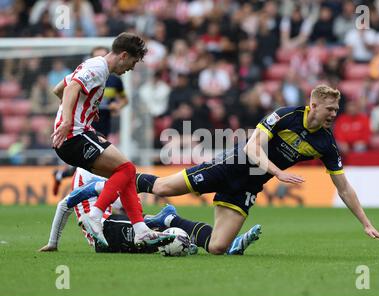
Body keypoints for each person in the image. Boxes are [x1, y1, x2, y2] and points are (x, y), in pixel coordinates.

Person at [69, 85, 379, 255]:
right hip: (231, 164)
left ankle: (171, 220)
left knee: (218, 248)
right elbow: (252, 147)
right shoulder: (285, 115)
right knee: (163, 188)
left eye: (337, 109)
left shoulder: (326, 143)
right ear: (314, 105)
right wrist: (277, 171)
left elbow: (344, 187)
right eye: (331, 108)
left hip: (249, 185)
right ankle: (105, 181)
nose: (335, 113)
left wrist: (366, 223)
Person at [50, 32, 174, 248]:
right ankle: (95, 215)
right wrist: (68, 121)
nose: (131, 69)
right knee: (126, 169)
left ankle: (141, 230)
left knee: (126, 174)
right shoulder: (98, 68)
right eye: (133, 62)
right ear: (124, 55)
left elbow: (58, 89)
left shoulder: (95, 67)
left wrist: (86, 108)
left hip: (78, 134)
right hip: (74, 136)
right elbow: (70, 89)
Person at [40, 168, 257, 255]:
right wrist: (52, 243)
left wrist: (53, 243)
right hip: (104, 232)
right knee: (155, 236)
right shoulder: (92, 177)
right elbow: (71, 201)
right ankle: (174, 230)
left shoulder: (88, 175)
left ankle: (227, 244)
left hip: (109, 231)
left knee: (155, 233)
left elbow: (64, 206)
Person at [51, 46, 129, 196]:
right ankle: (92, 204)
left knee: (100, 167)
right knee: (112, 168)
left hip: (100, 123)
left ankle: (65, 182)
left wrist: (116, 106)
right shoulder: (93, 71)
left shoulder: (114, 80)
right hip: (82, 128)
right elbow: (68, 89)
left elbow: (124, 100)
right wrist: (68, 119)